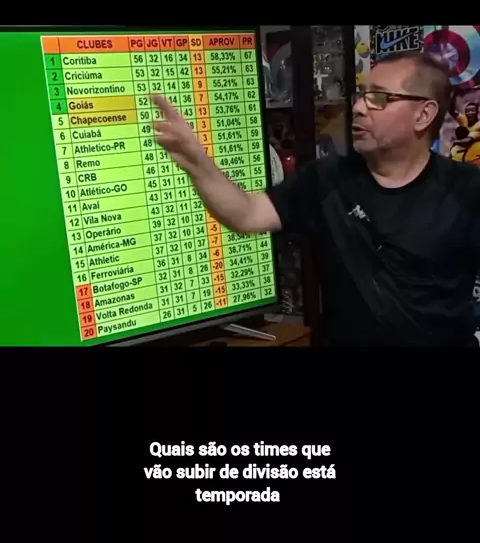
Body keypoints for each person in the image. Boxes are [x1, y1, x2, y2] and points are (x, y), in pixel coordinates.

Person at [152, 51, 480, 347]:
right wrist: (197, 161)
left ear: (423, 114)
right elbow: (247, 214)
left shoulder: (466, 190)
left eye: (379, 98)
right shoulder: (326, 179)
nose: (358, 107)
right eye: (362, 95)